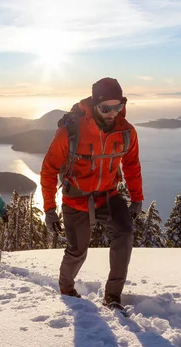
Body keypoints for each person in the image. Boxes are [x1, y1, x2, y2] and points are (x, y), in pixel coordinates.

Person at [40, 77, 144, 310]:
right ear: (94, 104)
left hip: (108, 194)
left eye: (118, 106)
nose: (112, 113)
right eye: (106, 107)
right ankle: (67, 290)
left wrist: (137, 198)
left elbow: (132, 165)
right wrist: (49, 209)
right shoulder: (70, 132)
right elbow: (49, 170)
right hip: (76, 197)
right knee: (77, 251)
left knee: (125, 233)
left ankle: (113, 296)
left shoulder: (126, 132)